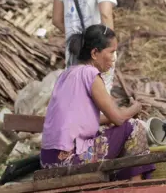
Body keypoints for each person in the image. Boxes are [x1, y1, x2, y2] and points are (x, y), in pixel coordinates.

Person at [41, 24, 155, 180]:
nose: (114, 58)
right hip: (70, 161)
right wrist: (135, 108)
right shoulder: (90, 73)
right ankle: (137, 188)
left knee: (115, 128)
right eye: (111, 52)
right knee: (135, 127)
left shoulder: (67, 74)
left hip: (49, 160)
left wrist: (120, 114)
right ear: (95, 53)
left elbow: (83, 120)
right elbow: (119, 119)